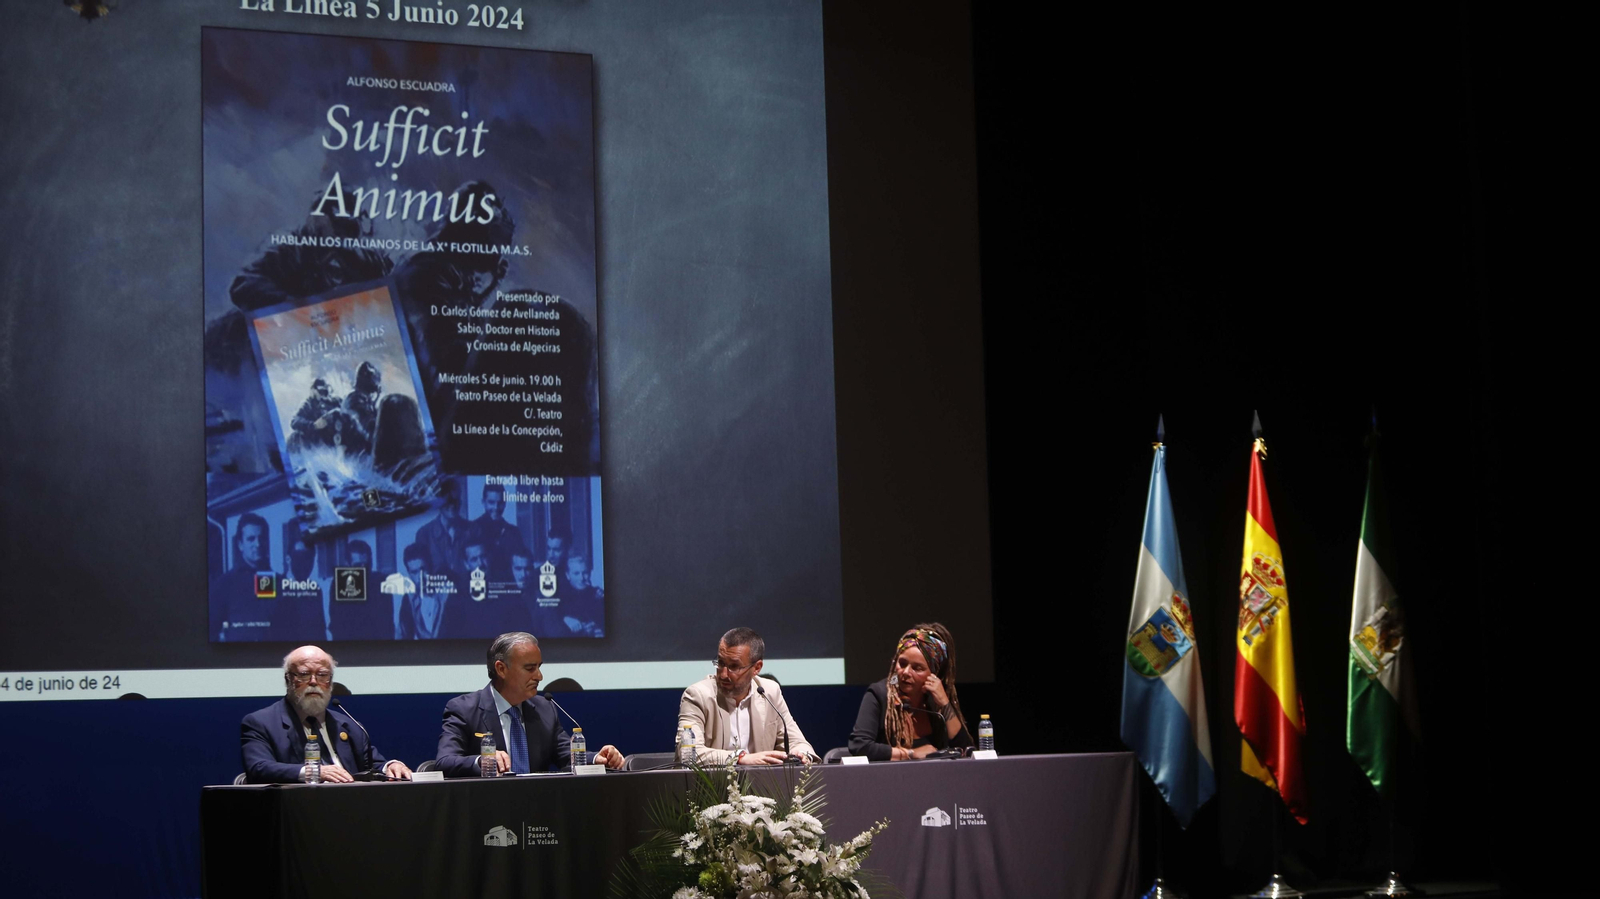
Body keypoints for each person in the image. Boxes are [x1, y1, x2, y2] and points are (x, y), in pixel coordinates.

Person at [434, 632, 623, 776]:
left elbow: (566, 755)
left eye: (539, 667)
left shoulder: (544, 709)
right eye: (530, 668)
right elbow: (444, 762)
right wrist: (481, 761)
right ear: (501, 669)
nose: (539, 676)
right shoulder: (464, 709)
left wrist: (597, 759)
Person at [240, 645, 413, 783]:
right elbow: (258, 768)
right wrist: (314, 773)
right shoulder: (261, 722)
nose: (314, 682)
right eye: (304, 674)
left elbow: (372, 764)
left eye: (322, 675)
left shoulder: (347, 724)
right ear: (289, 679)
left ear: (330, 682)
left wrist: (391, 766)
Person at [677, 627, 817, 765]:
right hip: (711, 786)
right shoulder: (697, 696)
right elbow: (688, 754)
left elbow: (797, 741)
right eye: (721, 663)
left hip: (760, 785)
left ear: (757, 668)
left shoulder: (769, 692)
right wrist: (740, 758)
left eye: (734, 666)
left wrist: (801, 754)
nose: (724, 674)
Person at [848, 623, 973, 761]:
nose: (906, 672)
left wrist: (944, 703)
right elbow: (859, 746)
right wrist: (911, 753)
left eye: (917, 668)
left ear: (934, 674)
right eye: (902, 663)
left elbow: (966, 752)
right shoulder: (880, 694)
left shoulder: (935, 703)